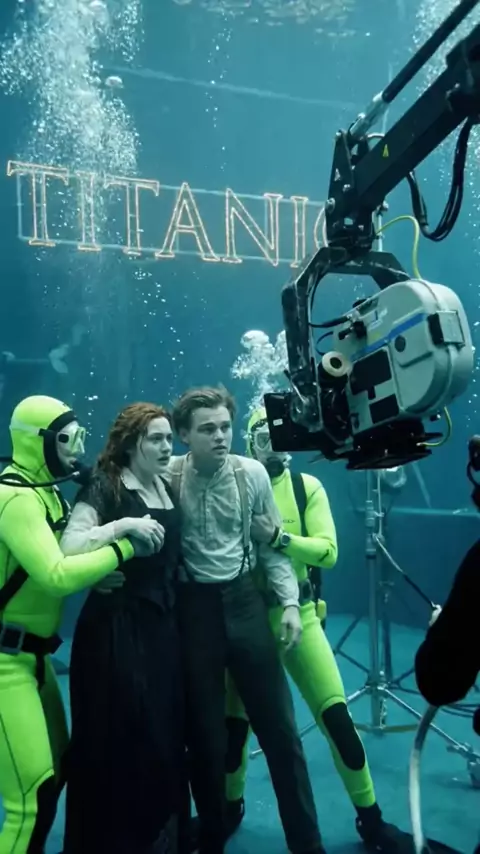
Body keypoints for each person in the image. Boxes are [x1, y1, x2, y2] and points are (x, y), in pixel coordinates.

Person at [220, 407, 414, 852]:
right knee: (234, 730)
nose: (272, 449)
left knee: (337, 719)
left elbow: (328, 552)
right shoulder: (229, 488)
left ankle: (371, 817)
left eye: (278, 439)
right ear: (248, 444)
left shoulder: (306, 487)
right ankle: (231, 807)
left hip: (301, 617)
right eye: (262, 439)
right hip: (247, 621)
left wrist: (278, 538)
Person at [167, 385, 324, 854]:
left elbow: (270, 549)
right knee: (204, 737)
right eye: (207, 429)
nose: (220, 436)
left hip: (245, 604)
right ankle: (211, 836)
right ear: (183, 435)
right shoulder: (169, 476)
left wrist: (291, 604)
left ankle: (308, 845)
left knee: (280, 731)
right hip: (194, 612)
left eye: (225, 427)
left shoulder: (251, 473)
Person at [0, 394, 138, 854]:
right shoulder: (16, 498)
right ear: (38, 441)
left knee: (57, 773)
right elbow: (57, 575)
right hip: (5, 666)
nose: (76, 448)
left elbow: (56, 561)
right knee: (30, 798)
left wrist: (95, 570)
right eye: (67, 439)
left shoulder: (46, 492)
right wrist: (125, 545)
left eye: (79, 437)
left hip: (33, 659)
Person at [60, 403, 187, 854]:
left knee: (162, 735)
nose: (167, 446)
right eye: (156, 438)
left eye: (169, 438)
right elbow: (69, 547)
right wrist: (123, 526)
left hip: (161, 629)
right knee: (115, 738)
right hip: (114, 632)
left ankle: (154, 838)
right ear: (132, 443)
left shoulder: (166, 484)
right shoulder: (106, 484)